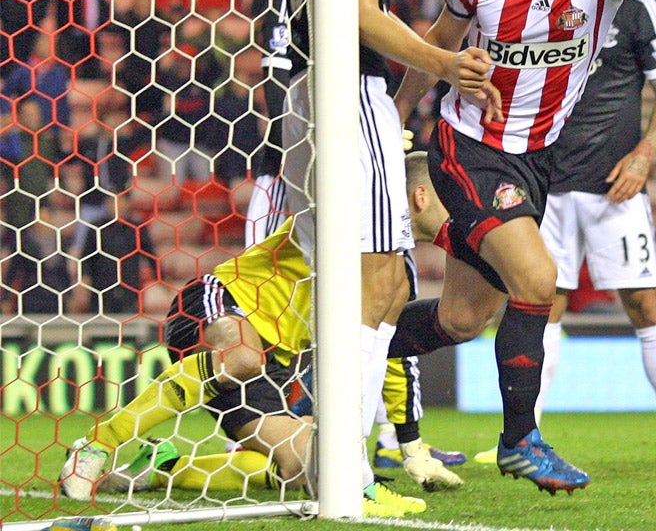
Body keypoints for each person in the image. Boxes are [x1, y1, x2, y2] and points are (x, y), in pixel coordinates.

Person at [387, 0, 656, 495]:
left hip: (536, 160)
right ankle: (520, 440)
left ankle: (356, 344)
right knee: (538, 279)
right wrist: (396, 125)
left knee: (462, 318)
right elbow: (434, 46)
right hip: (471, 145)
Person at [267, 0, 497, 512]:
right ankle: (350, 475)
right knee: (375, 282)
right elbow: (357, 12)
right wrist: (442, 63)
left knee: (382, 282)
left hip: (324, 91)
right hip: (342, 90)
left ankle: (341, 463)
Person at [61, 152, 457, 518]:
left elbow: (381, 354)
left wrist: (411, 446)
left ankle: (161, 469)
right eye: (447, 197)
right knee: (243, 359)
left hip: (275, 362)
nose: (453, 209)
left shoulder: (400, 272)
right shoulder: (350, 212)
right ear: (420, 196)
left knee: (315, 466)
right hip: (224, 302)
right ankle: (99, 444)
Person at [535, 0, 656, 464]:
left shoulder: (636, 8)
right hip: (544, 184)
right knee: (539, 305)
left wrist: (644, 154)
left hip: (613, 186)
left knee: (644, 302)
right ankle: (523, 432)